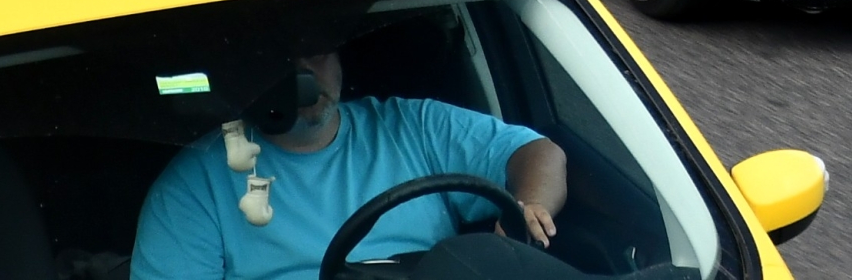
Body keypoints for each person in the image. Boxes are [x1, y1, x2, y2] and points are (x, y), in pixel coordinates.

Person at [131, 49, 568, 280]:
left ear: (339, 60)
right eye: (284, 63)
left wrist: (524, 213)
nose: (304, 76)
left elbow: (538, 153)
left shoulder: (412, 125)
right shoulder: (193, 187)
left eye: (316, 54)